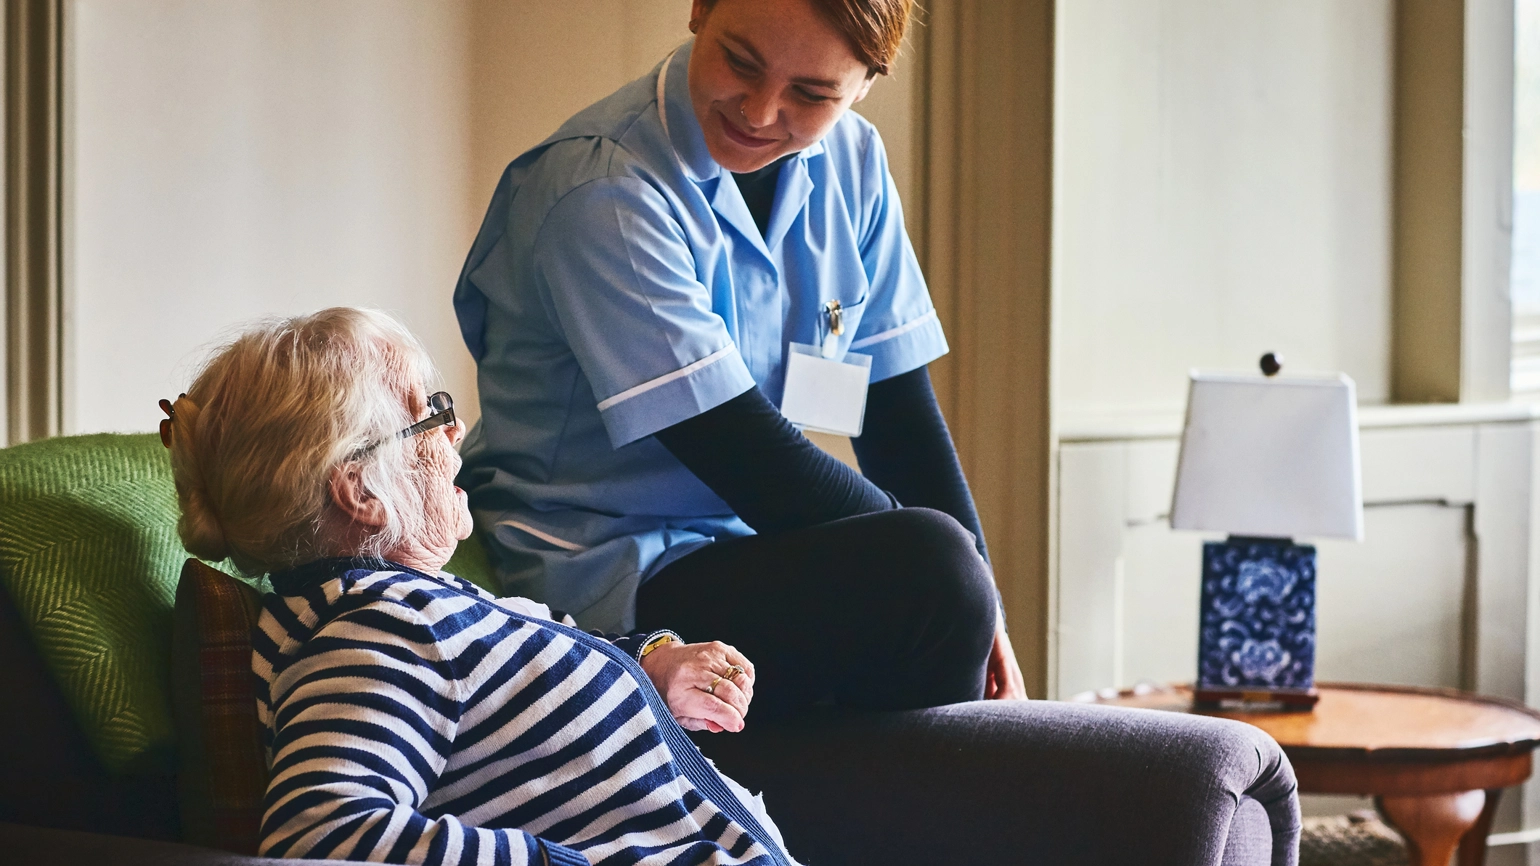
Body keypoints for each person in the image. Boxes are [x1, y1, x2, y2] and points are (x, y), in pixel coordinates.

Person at [453, 0, 1026, 721]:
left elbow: (898, 417)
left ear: (864, 84)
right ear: (699, 10)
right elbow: (750, 462)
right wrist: (956, 580)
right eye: (741, 63)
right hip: (602, 574)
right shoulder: (600, 188)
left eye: (811, 94)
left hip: (742, 547)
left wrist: (986, 602)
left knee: (944, 575)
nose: (759, 112)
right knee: (932, 574)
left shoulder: (855, 164)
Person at [161, 307, 799, 866]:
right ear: (362, 492)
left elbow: (520, 685)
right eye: (429, 413)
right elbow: (323, 838)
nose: (457, 429)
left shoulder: (422, 613)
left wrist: (652, 663)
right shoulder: (383, 627)